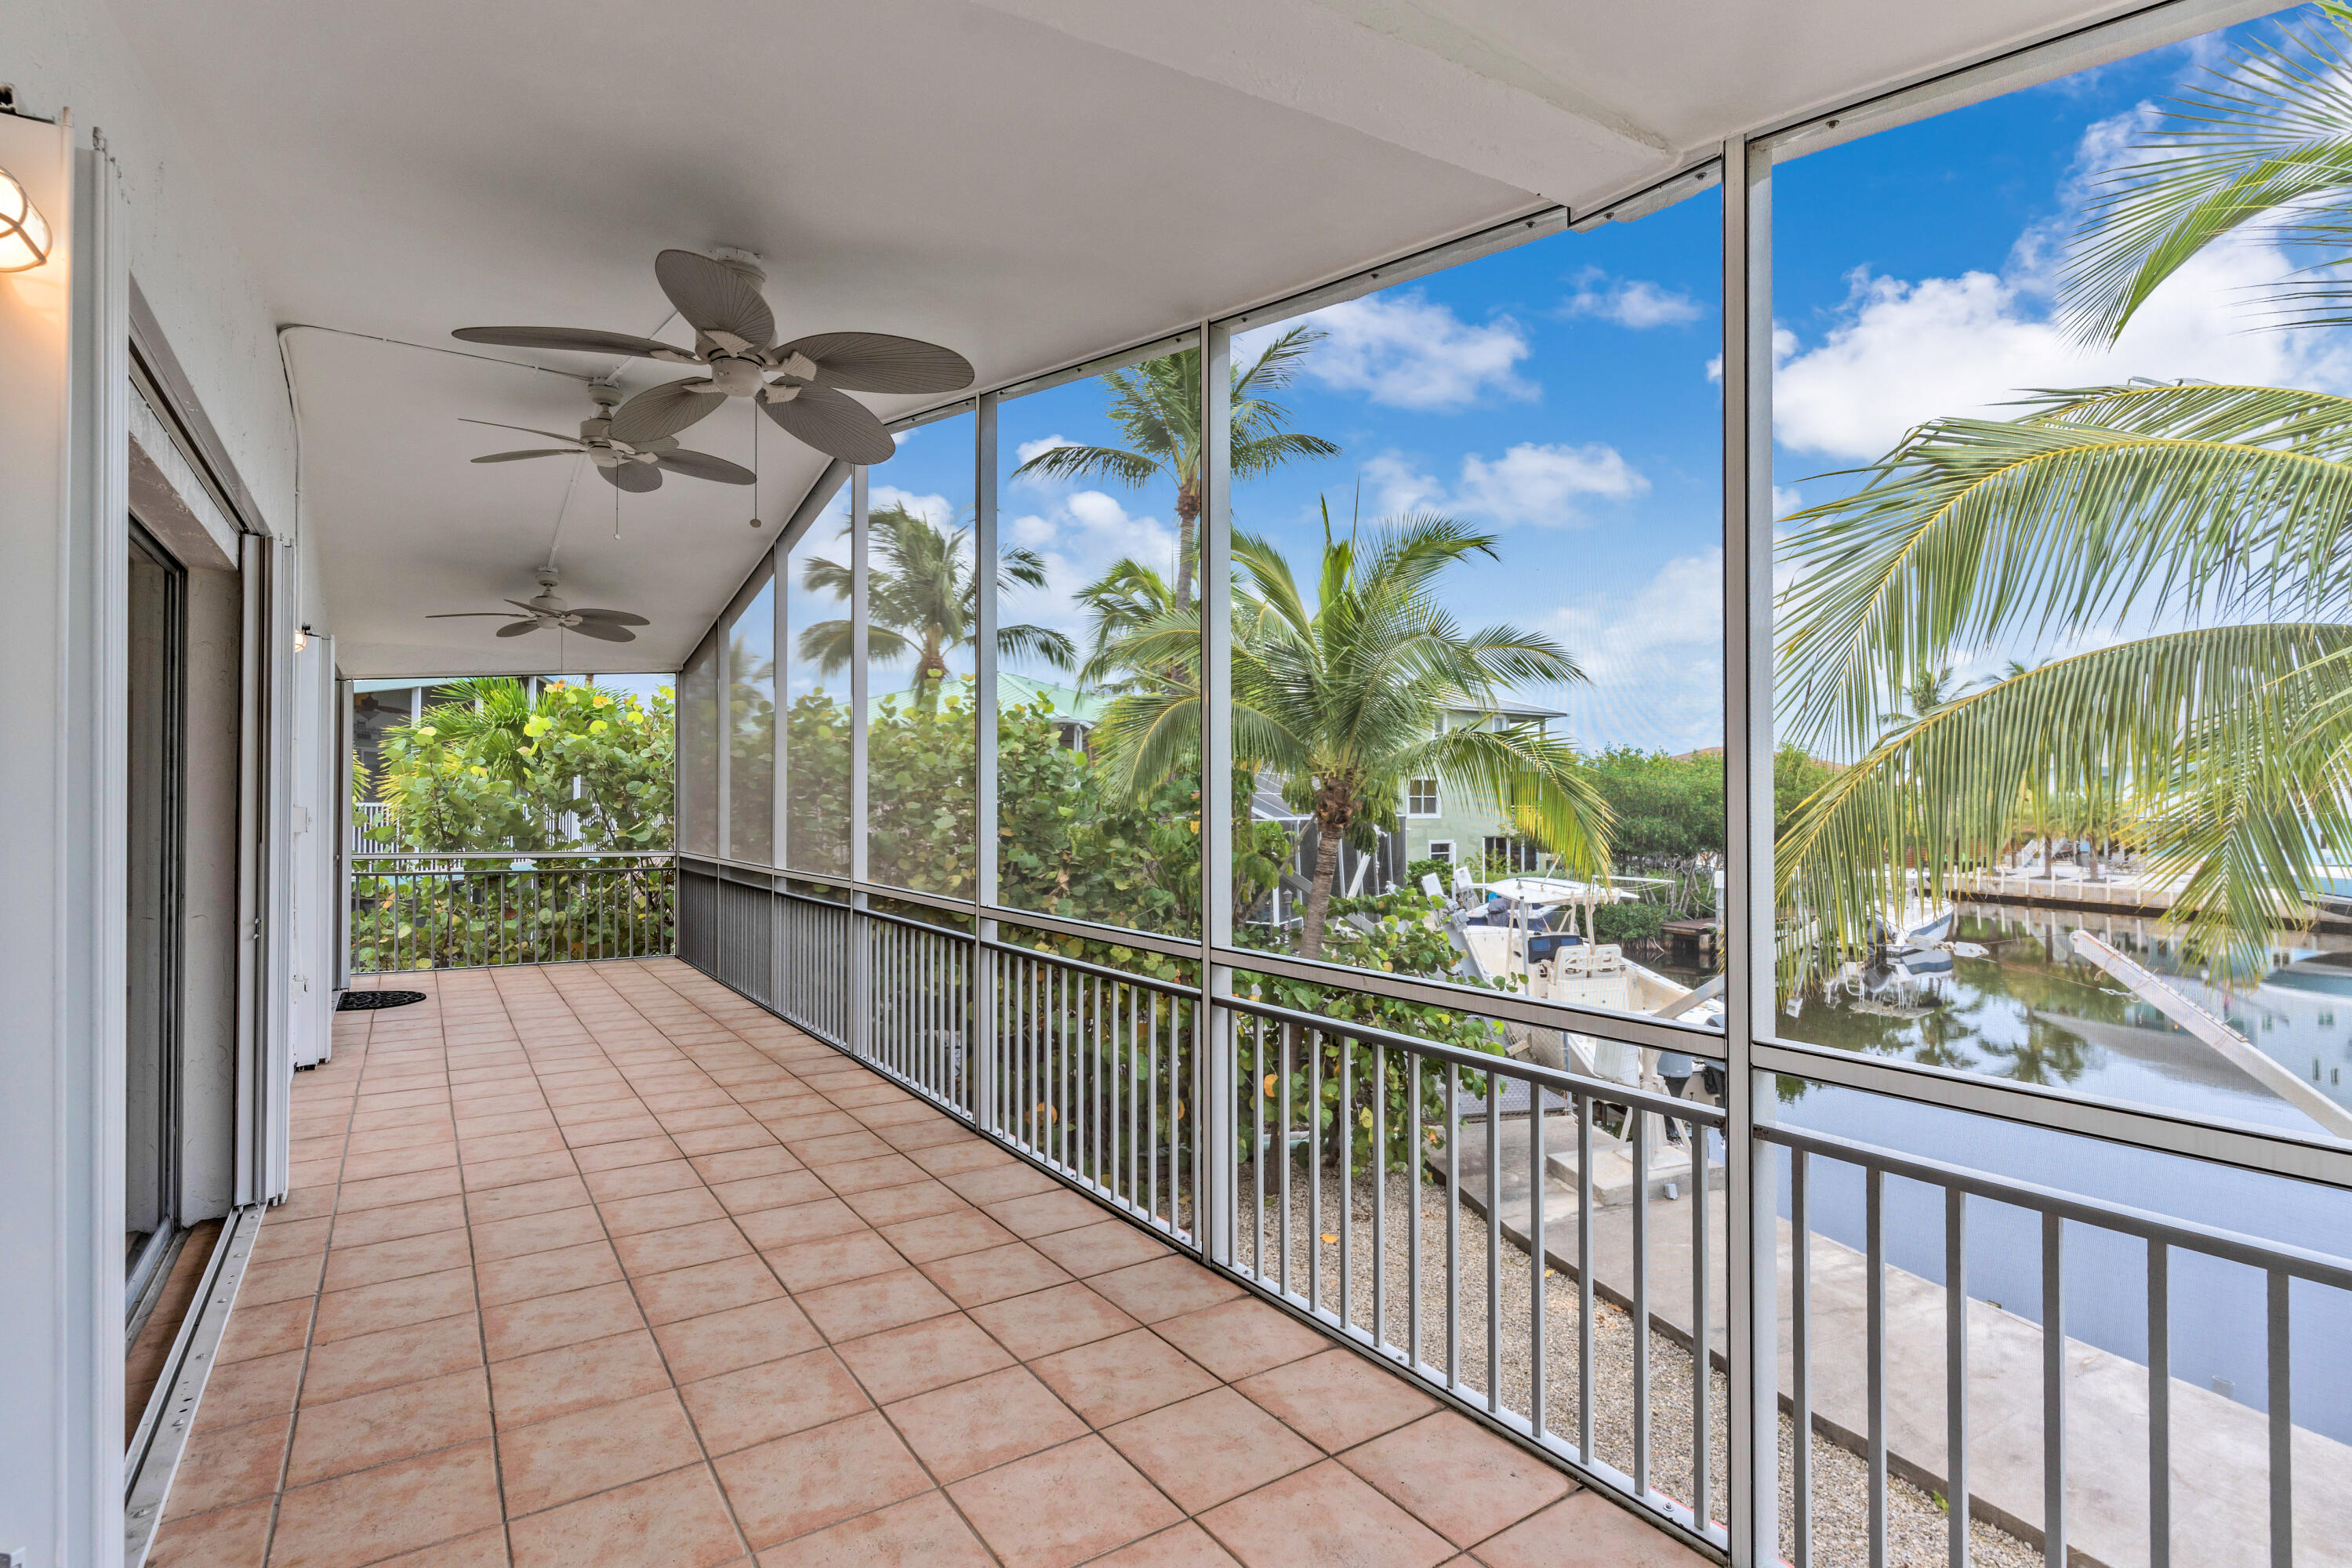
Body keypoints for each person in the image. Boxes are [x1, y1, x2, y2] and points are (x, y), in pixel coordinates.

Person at [1657, 1049, 1694, 1146]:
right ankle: (1672, 1136)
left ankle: (1671, 1136)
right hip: (1682, 1070)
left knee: (1668, 1107)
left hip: (1670, 1071)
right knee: (1670, 1106)